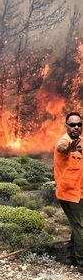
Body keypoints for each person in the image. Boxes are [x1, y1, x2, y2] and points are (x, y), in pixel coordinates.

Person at [54, 111, 83, 269]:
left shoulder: (81, 142)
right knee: (80, 227)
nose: (76, 127)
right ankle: (81, 262)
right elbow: (61, 148)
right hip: (68, 193)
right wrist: (68, 149)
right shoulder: (64, 141)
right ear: (67, 126)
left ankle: (71, 256)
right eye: (72, 124)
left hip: (79, 192)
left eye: (79, 124)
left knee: (78, 225)